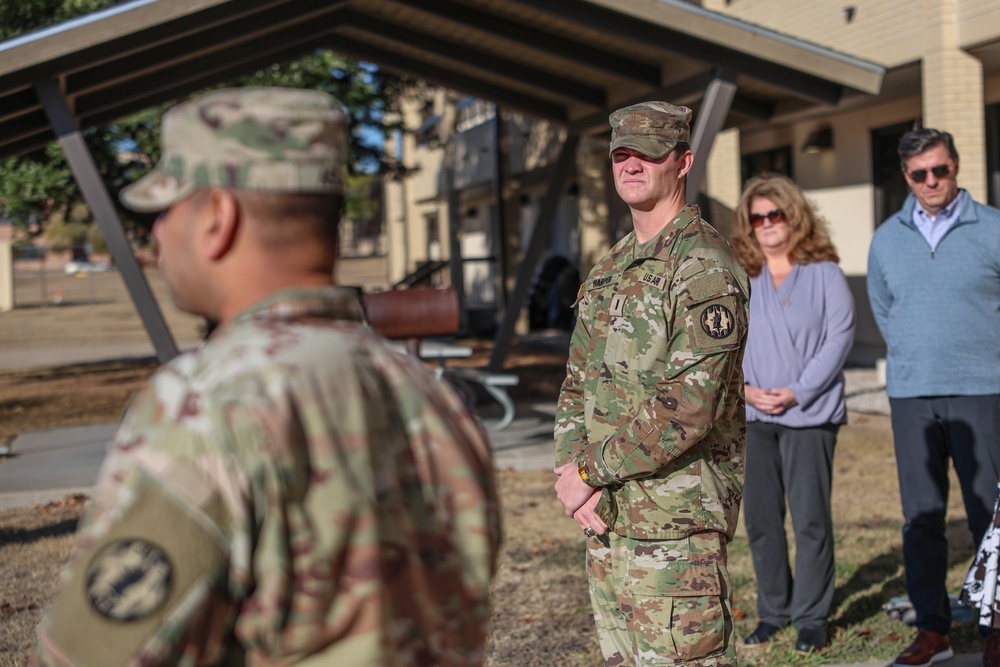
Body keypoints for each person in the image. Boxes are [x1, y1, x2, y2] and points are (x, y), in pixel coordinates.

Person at [30, 87, 501, 666]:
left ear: (217, 218)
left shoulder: (211, 401)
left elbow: (90, 654)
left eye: (165, 210)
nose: (154, 237)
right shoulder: (433, 396)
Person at [553, 101, 750, 666]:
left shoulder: (704, 266)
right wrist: (572, 473)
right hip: (608, 518)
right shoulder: (611, 267)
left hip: (675, 526)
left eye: (648, 153)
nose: (631, 165)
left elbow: (690, 405)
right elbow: (577, 382)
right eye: (621, 154)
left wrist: (589, 471)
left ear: (683, 162)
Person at [868, 127, 1000, 667]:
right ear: (906, 176)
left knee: (988, 518)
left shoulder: (993, 228)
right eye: (919, 174)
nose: (931, 182)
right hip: (912, 396)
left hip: (983, 391)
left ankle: (996, 628)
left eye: (940, 170)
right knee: (922, 517)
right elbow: (883, 309)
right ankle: (932, 629)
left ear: (956, 167)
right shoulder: (886, 237)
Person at [730, 174, 855, 653]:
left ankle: (811, 617)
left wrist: (798, 392)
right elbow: (724, 340)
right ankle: (774, 611)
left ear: (793, 216)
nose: (765, 224)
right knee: (761, 519)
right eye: (756, 217)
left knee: (810, 520)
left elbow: (840, 337)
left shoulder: (824, 272)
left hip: (810, 414)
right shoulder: (741, 274)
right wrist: (743, 390)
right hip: (755, 415)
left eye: (773, 214)